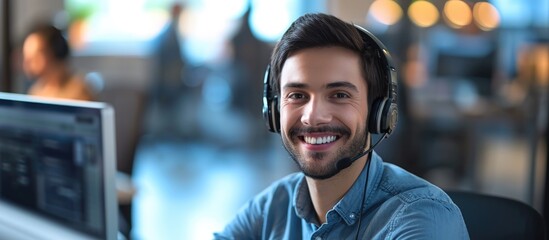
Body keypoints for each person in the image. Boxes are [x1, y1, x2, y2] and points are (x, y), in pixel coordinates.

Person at [214, 13, 469, 239]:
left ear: (377, 108)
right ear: (274, 110)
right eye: (297, 95)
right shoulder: (272, 207)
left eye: (339, 95)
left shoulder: (422, 218)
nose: (313, 117)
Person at [22, 24, 94, 101]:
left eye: (35, 55)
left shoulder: (79, 93)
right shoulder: (36, 91)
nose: (27, 62)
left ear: (55, 52)